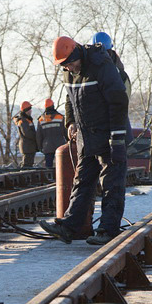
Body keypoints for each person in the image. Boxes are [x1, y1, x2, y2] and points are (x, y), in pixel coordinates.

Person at [39, 36, 129, 246]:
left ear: (77, 53)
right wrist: (70, 122)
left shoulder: (101, 66)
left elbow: (118, 101)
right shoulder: (69, 73)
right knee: (82, 182)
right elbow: (70, 99)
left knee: (111, 184)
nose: (69, 68)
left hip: (109, 135)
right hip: (87, 136)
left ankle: (107, 230)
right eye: (64, 65)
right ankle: (69, 227)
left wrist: (116, 138)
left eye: (70, 63)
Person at [36, 98, 65, 168]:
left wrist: (39, 147)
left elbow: (39, 136)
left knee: (48, 167)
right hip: (60, 145)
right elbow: (66, 131)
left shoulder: (41, 119)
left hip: (47, 146)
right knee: (62, 166)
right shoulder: (60, 117)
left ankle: (50, 178)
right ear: (53, 106)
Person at [13, 101, 38, 168]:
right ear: (26, 110)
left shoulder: (27, 120)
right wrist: (37, 136)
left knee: (28, 165)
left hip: (29, 146)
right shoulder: (23, 121)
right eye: (30, 109)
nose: (31, 111)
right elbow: (27, 133)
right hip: (27, 147)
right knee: (26, 166)